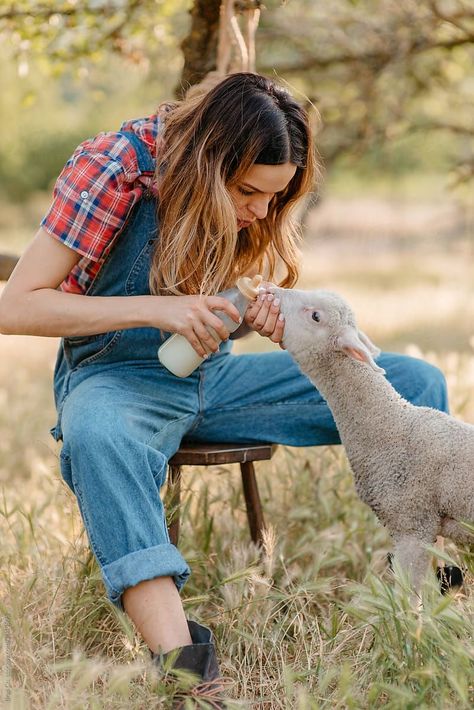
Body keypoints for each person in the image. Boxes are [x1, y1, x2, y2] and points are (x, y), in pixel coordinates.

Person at [0, 73, 448, 690]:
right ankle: (187, 671)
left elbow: (217, 312)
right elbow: (16, 305)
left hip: (215, 378)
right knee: (97, 435)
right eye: (248, 192)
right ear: (209, 161)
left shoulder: (253, 204)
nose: (261, 211)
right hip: (117, 380)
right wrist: (157, 309)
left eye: (275, 197)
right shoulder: (115, 168)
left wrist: (252, 314)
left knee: (415, 382)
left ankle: (422, 587)